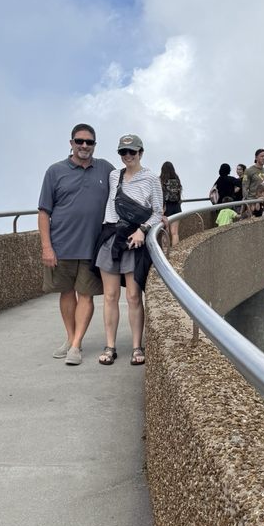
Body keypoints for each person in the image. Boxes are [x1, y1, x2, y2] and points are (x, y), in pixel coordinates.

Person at [38, 123, 114, 366]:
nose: (84, 146)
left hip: (93, 246)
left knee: (87, 295)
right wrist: (46, 247)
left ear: (94, 145)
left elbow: (128, 189)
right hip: (61, 245)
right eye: (79, 141)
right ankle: (71, 339)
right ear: (71, 143)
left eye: (89, 142)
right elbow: (43, 212)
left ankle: (76, 343)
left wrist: (157, 211)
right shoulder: (55, 171)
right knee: (66, 293)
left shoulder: (105, 169)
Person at [96, 134, 164, 366]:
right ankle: (110, 345)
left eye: (132, 152)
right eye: (123, 152)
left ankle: (137, 346)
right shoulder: (114, 175)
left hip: (134, 240)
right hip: (111, 236)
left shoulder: (151, 179)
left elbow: (157, 211)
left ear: (141, 153)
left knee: (133, 296)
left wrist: (143, 231)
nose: (127, 156)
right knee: (110, 296)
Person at [159, 160, 183, 246]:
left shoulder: (161, 181)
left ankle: (165, 254)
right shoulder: (177, 180)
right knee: (175, 233)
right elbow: (179, 195)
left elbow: (160, 197)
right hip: (177, 207)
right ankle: (175, 255)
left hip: (166, 208)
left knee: (165, 232)